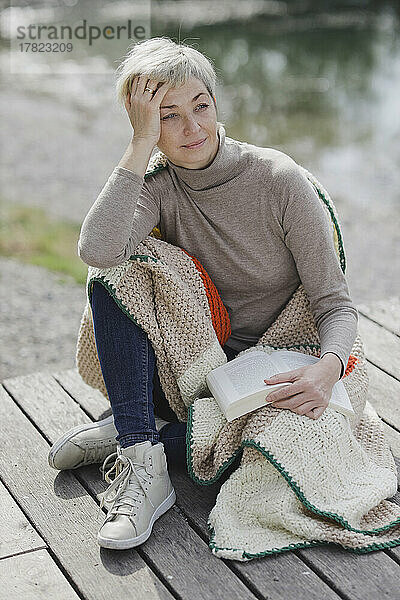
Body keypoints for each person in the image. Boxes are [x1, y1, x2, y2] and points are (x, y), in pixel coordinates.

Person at [48, 36, 358, 550]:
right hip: (201, 362)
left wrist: (327, 368)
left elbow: (335, 303)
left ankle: (133, 434)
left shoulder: (279, 180)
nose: (192, 128)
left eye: (201, 106)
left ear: (216, 104)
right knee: (117, 274)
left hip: (287, 362)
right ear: (144, 124)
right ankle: (144, 464)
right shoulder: (157, 186)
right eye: (168, 116)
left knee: (282, 449)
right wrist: (138, 147)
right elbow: (98, 250)